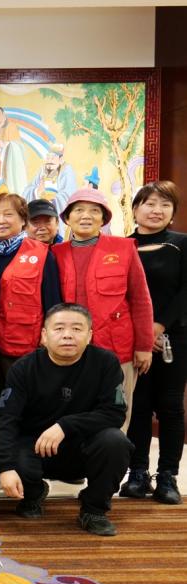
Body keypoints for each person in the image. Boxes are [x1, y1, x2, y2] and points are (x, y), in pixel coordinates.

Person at [0, 303, 133, 536]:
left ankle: (94, 510)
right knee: (12, 454)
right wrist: (5, 467)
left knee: (115, 442)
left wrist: (65, 426)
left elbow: (114, 413)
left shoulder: (106, 363)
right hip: (35, 447)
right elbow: (6, 420)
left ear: (89, 335)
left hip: (83, 447)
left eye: (77, 329)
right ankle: (34, 493)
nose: (68, 335)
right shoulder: (24, 368)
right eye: (59, 328)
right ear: (44, 335)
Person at [52, 188, 154, 427]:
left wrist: (144, 346)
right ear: (67, 218)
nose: (86, 216)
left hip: (117, 347)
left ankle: (115, 452)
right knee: (72, 413)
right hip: (70, 347)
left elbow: (140, 299)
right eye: (79, 210)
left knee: (116, 414)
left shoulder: (123, 248)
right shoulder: (55, 253)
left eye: (94, 211)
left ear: (103, 218)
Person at [122, 181, 187, 504]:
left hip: (174, 337)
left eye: (165, 204)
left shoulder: (181, 244)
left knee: (171, 406)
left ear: (173, 212)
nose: (156, 210)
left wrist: (159, 326)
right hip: (133, 340)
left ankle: (167, 476)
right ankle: (137, 473)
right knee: (138, 406)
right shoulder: (122, 247)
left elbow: (185, 292)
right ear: (135, 209)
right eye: (149, 203)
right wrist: (143, 334)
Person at [0, 193, 62, 384]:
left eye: (8, 214)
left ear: (23, 219)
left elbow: (53, 301)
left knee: (24, 395)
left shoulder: (41, 254)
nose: (1, 221)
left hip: (24, 342)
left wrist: (50, 336)